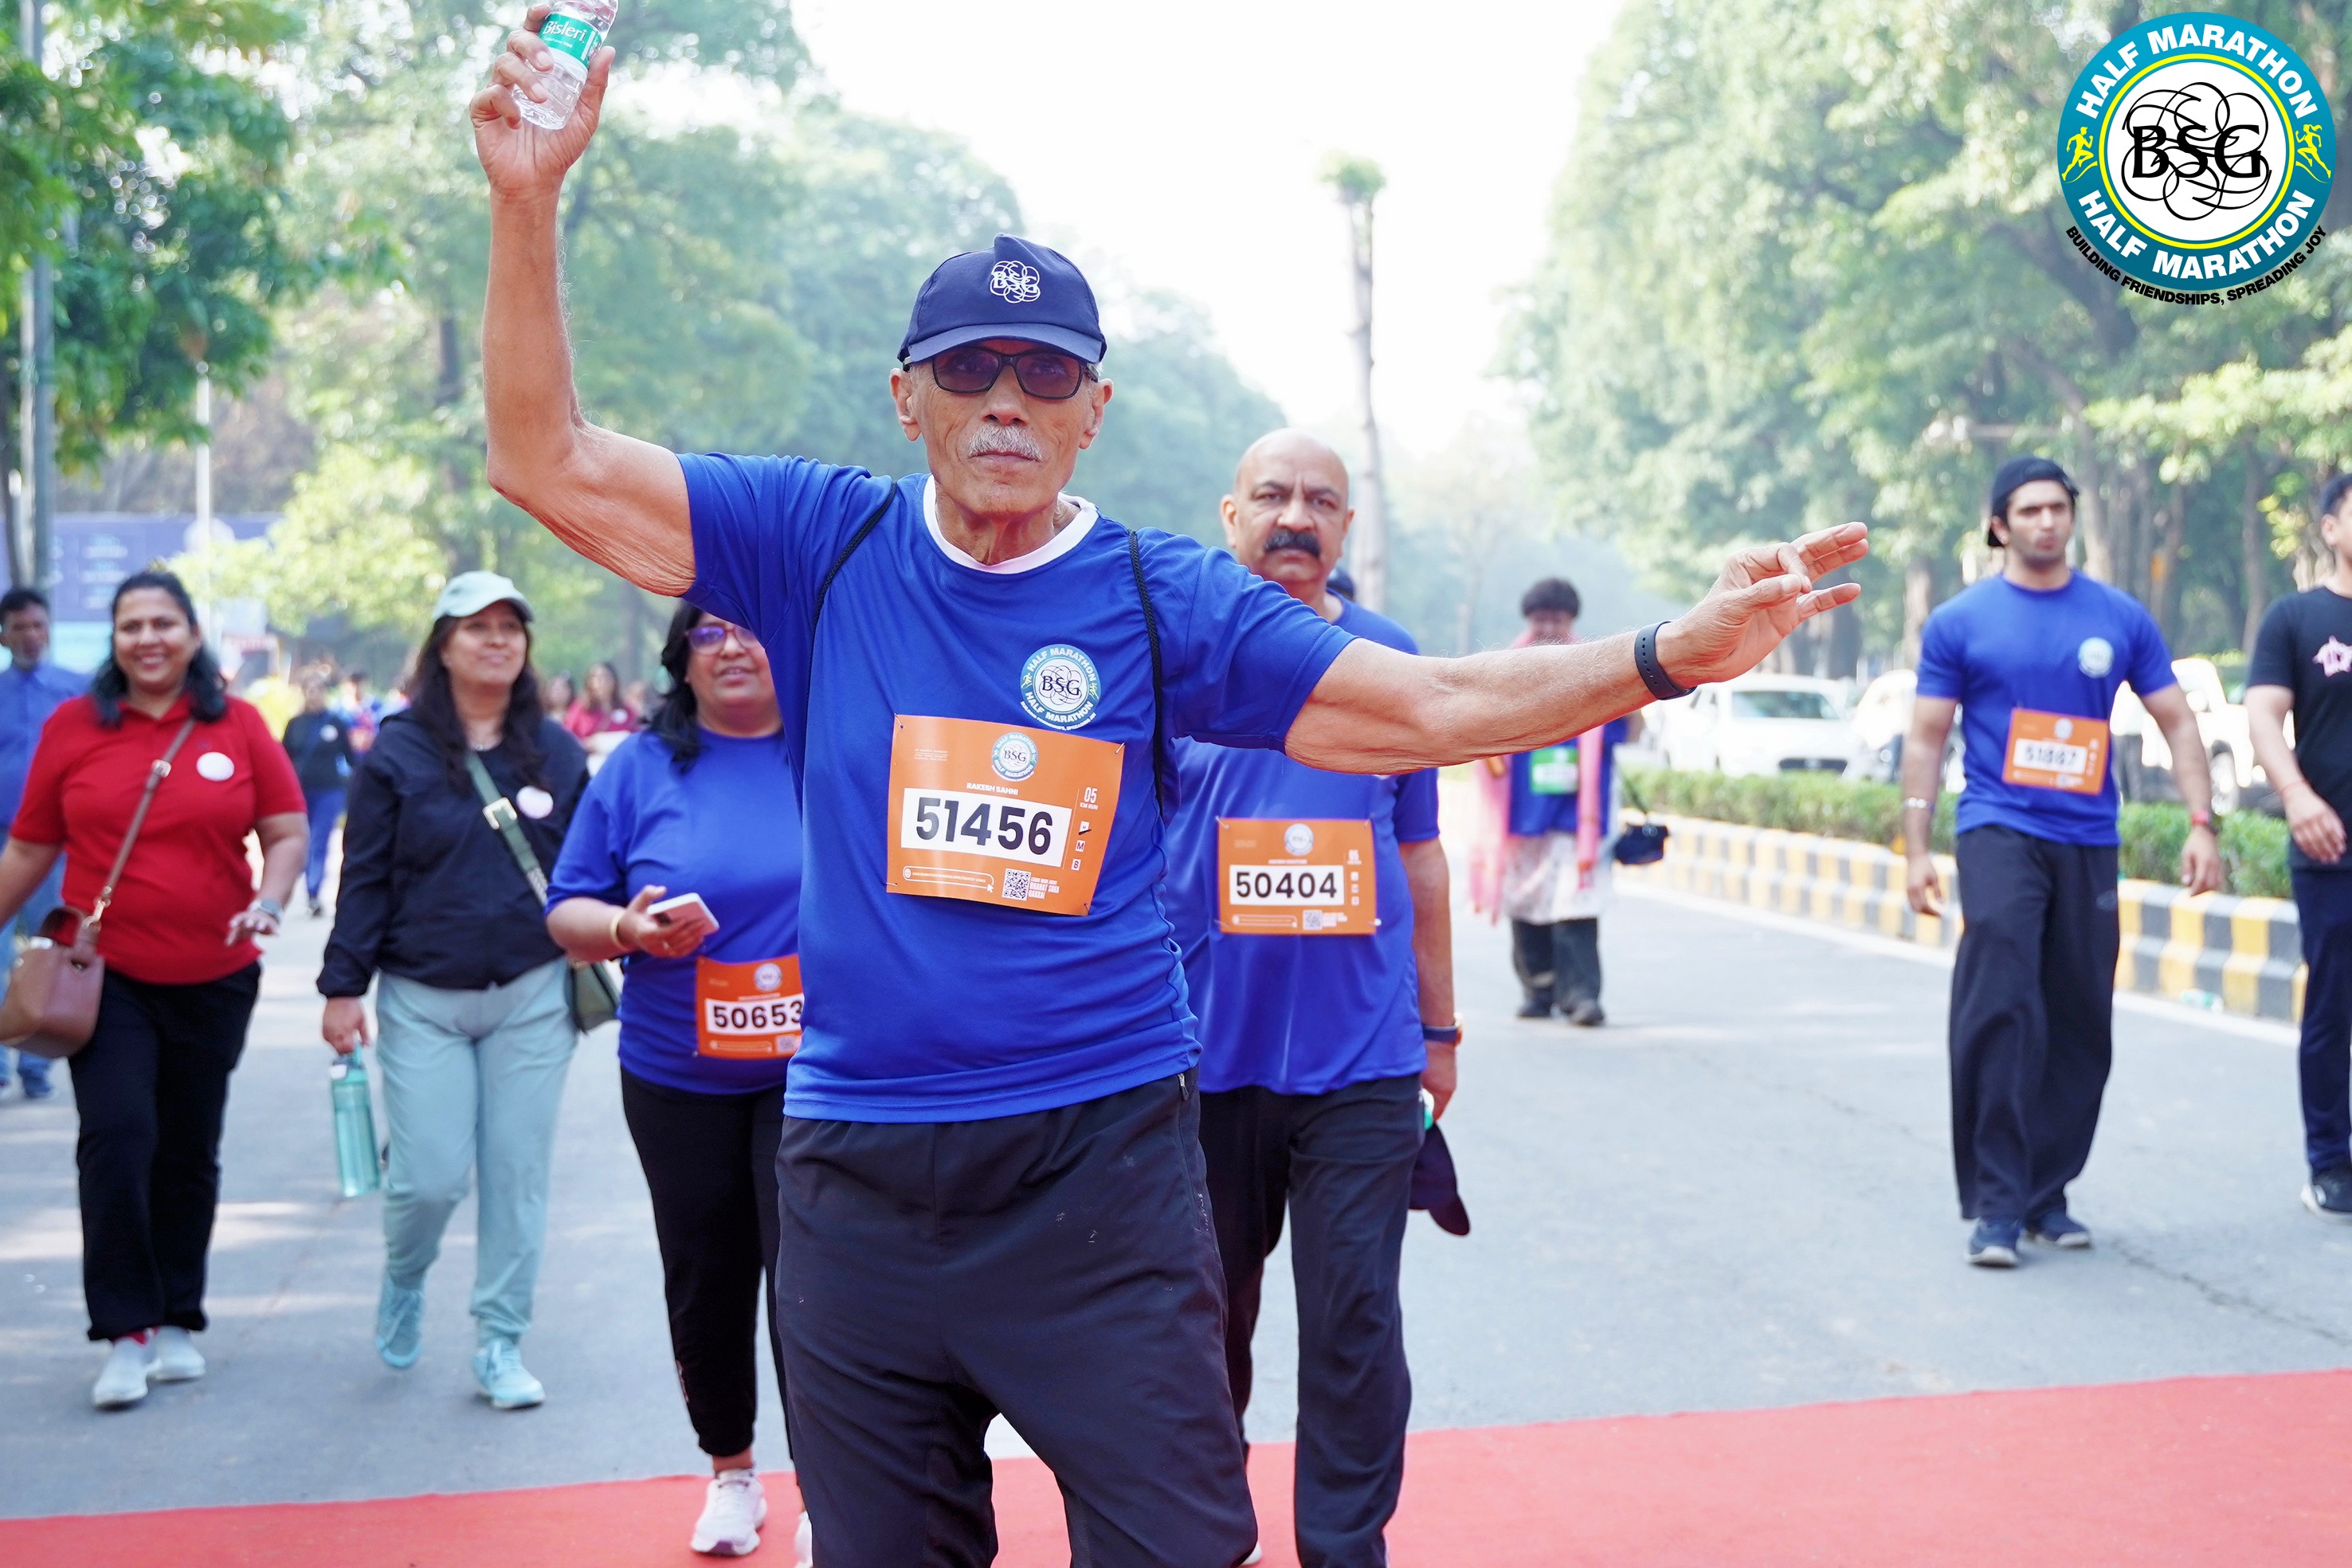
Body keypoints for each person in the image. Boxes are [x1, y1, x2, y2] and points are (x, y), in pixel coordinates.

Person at [472, 28, 1863, 1561]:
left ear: (1094, 410)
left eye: (1047, 373)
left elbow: (1431, 706)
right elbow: (544, 457)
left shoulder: (1157, 596)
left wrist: (1668, 653)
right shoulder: (818, 543)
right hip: (861, 1176)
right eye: (969, 369)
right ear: (907, 396)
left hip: (1101, 1169)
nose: (1007, 400)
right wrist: (527, 200)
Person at [1164, 431, 1456, 1567]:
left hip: (1363, 1064)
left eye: (1321, 501)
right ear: (1230, 513)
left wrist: (1440, 1031)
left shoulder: (1391, 660)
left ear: (1346, 527)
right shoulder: (1175, 653)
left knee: (1354, 1325)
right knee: (1201, 1324)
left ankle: (1344, 1548)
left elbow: (1420, 856)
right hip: (1200, 1062)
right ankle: (1202, 1536)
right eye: (1274, 496)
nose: (1297, 517)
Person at [1903, 455, 2222, 1269]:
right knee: (2002, 1005)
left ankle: (2048, 1194)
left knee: (2079, 1017)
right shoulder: (1961, 621)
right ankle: (1998, 1203)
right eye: (2030, 510)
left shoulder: (2118, 617)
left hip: (2088, 839)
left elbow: (2178, 722)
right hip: (1998, 828)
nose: (2047, 521)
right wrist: (1917, 846)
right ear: (1999, 526)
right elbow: (1927, 738)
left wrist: (2201, 823)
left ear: (2072, 517)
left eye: (2058, 508)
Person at [0, 570, 305, 1407]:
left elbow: (286, 830)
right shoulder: (74, 727)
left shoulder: (237, 725)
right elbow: (28, 848)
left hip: (216, 978)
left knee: (186, 1148)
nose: (148, 639)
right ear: (114, 638)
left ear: (192, 635)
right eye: (131, 625)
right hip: (107, 979)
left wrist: (270, 899)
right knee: (117, 1137)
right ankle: (125, 1331)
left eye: (163, 623)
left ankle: (177, 1318)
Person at [547, 604, 806, 1560]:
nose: (732, 647)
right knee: (706, 1275)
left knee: (814, 1282)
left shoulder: (831, 746)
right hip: (678, 1078)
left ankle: (831, 1487)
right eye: (708, 634)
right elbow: (566, 912)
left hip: (816, 1078)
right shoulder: (637, 769)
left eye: (752, 627)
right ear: (681, 660)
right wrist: (628, 929)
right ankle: (731, 1472)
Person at [318, 572, 590, 1409]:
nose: (496, 640)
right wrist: (342, 987)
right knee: (428, 1178)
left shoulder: (555, 751)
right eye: (476, 627)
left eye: (511, 626)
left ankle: (500, 1339)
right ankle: (406, 1275)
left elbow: (591, 867)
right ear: (443, 646)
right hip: (423, 996)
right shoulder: (397, 753)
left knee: (516, 1174)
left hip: (532, 991)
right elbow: (364, 877)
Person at [2245, 472, 2352, 1221]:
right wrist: (2297, 795)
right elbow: (2262, 718)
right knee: (2334, 1005)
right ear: (2331, 529)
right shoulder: (2297, 618)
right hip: (2331, 846)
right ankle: (2330, 1161)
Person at [1484, 578, 1641, 1027]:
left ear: (1572, 620)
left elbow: (1630, 730)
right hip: (1523, 811)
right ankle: (1538, 990)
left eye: (1557, 619)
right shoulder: (1503, 673)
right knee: (1526, 900)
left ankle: (1580, 997)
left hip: (1579, 814)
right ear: (1528, 621)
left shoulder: (1598, 670)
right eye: (1541, 619)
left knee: (1576, 903)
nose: (1549, 628)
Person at [0, 586, 85, 1101]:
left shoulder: (78, 691)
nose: (31, 635)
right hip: (3, 838)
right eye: (20, 627)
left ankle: (36, 1062)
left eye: (38, 625)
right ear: (3, 636)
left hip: (57, 844)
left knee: (47, 949)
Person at [283, 673, 359, 916]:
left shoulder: (336, 723)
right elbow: (283, 759)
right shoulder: (295, 724)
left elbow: (351, 758)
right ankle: (303, 879)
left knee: (320, 840)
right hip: (300, 791)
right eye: (310, 690)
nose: (314, 694)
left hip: (329, 790)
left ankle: (314, 892)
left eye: (318, 690)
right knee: (303, 839)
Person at [564, 660, 636, 741]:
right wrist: (590, 742)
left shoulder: (627, 709)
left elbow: (636, 735)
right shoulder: (580, 708)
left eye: (606, 677)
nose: (602, 682)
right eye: (596, 677)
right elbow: (568, 737)